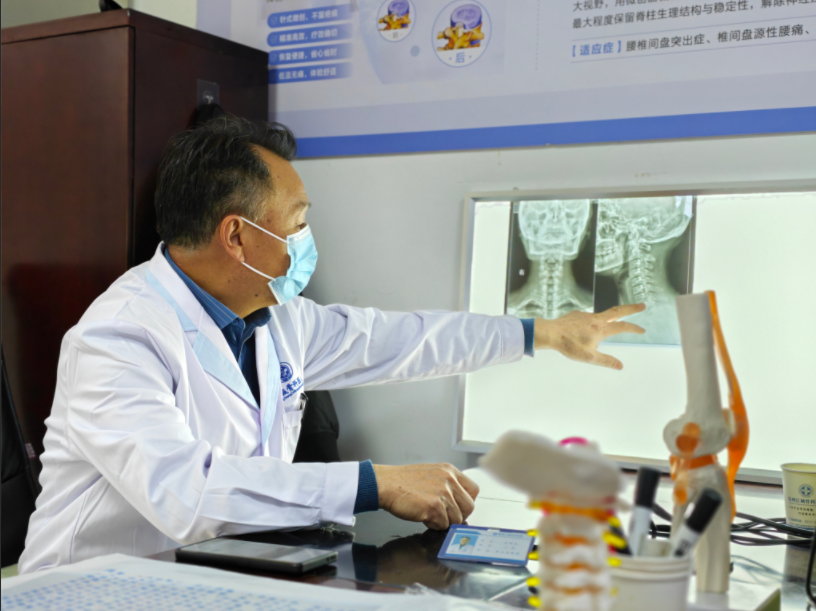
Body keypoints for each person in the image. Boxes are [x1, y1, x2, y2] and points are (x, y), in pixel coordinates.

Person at [18, 118, 644, 573]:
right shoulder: (118, 338)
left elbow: (405, 340)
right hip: (89, 592)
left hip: (208, 576)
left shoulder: (275, 319)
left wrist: (542, 334)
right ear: (237, 237)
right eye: (298, 220)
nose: (307, 236)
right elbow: (186, 493)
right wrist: (374, 483)